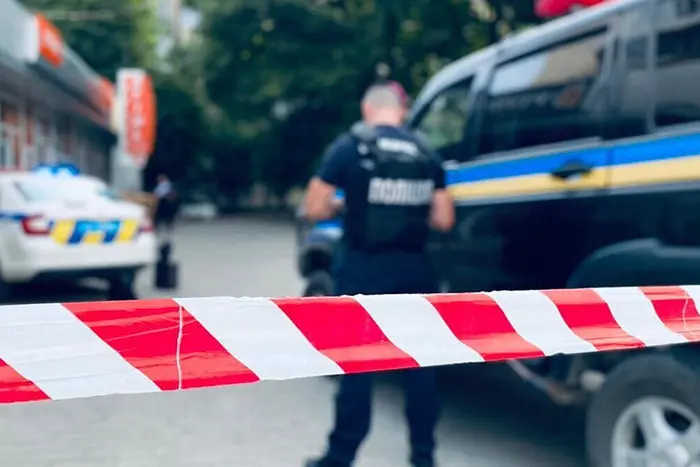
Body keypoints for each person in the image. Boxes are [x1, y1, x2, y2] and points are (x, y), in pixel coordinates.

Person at [303, 82, 455, 467]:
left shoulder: (350, 147)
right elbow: (443, 219)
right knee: (419, 368)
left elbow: (314, 207)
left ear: (366, 109)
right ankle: (424, 456)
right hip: (415, 271)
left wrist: (345, 206)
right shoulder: (426, 151)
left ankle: (340, 457)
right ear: (401, 112)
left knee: (357, 367)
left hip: (362, 270)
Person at [152, 174, 178, 238]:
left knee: (159, 216)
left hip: (163, 202)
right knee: (168, 218)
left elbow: (159, 193)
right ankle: (167, 228)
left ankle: (159, 228)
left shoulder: (165, 185)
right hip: (166, 202)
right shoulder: (167, 184)